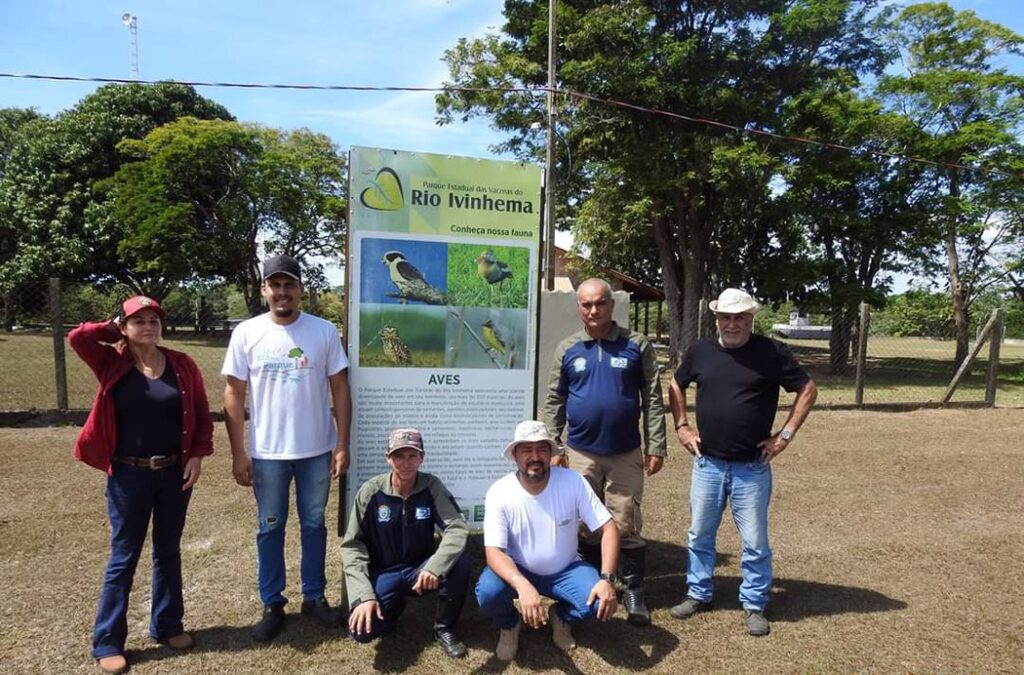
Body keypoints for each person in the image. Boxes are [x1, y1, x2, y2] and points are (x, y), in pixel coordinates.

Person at [70, 296, 213, 675]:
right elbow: (78, 338)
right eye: (139, 321)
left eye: (154, 320)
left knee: (168, 551)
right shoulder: (111, 362)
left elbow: (199, 412)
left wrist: (197, 455)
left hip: (173, 473)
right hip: (128, 475)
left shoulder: (182, 364)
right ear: (124, 326)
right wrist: (111, 326)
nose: (149, 327)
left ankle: (167, 625)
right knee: (124, 556)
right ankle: (108, 641)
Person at [668, 288, 817, 636]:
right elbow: (676, 385)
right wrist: (682, 426)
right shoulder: (700, 351)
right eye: (726, 317)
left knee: (754, 541)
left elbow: (807, 389)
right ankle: (698, 593)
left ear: (751, 319)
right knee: (700, 535)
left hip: (752, 466)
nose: (732, 324)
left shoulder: (771, 352)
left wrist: (785, 436)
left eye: (740, 317)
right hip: (708, 464)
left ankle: (753, 604)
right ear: (716, 318)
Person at [222, 254, 352, 642]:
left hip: (316, 450)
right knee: (270, 527)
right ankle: (272, 602)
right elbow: (233, 393)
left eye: (289, 285)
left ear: (301, 290)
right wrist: (238, 452)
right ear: (264, 290)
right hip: (267, 453)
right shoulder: (246, 333)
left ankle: (314, 596)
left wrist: (341, 443)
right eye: (274, 285)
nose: (282, 292)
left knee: (314, 525)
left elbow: (340, 389)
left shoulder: (323, 331)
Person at [543, 277, 667, 626]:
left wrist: (655, 443)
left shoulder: (636, 345)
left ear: (612, 306)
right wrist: (553, 445)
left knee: (625, 520)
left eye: (600, 303)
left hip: (625, 452)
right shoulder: (568, 348)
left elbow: (653, 398)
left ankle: (633, 591)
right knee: (582, 523)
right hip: (580, 452)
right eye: (587, 304)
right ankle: (588, 584)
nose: (594, 310)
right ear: (579, 308)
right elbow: (554, 399)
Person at [476, 421, 619, 661]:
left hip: (565, 569)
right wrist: (522, 586)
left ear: (551, 453)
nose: (535, 457)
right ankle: (510, 624)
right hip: (518, 569)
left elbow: (609, 527)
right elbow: (494, 552)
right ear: (514, 455)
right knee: (488, 592)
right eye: (526, 450)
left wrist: (607, 579)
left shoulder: (573, 482)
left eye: (542, 449)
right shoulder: (499, 492)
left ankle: (561, 616)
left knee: (598, 604)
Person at [341, 428, 471, 659]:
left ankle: (444, 628)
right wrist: (364, 597)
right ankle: (391, 608)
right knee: (362, 633)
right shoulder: (371, 491)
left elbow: (456, 528)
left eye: (412, 455)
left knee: (461, 562)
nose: (406, 463)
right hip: (385, 572)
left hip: (421, 569)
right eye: (399, 456)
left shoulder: (431, 486)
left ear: (422, 457)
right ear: (388, 458)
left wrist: (435, 567)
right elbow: (353, 546)